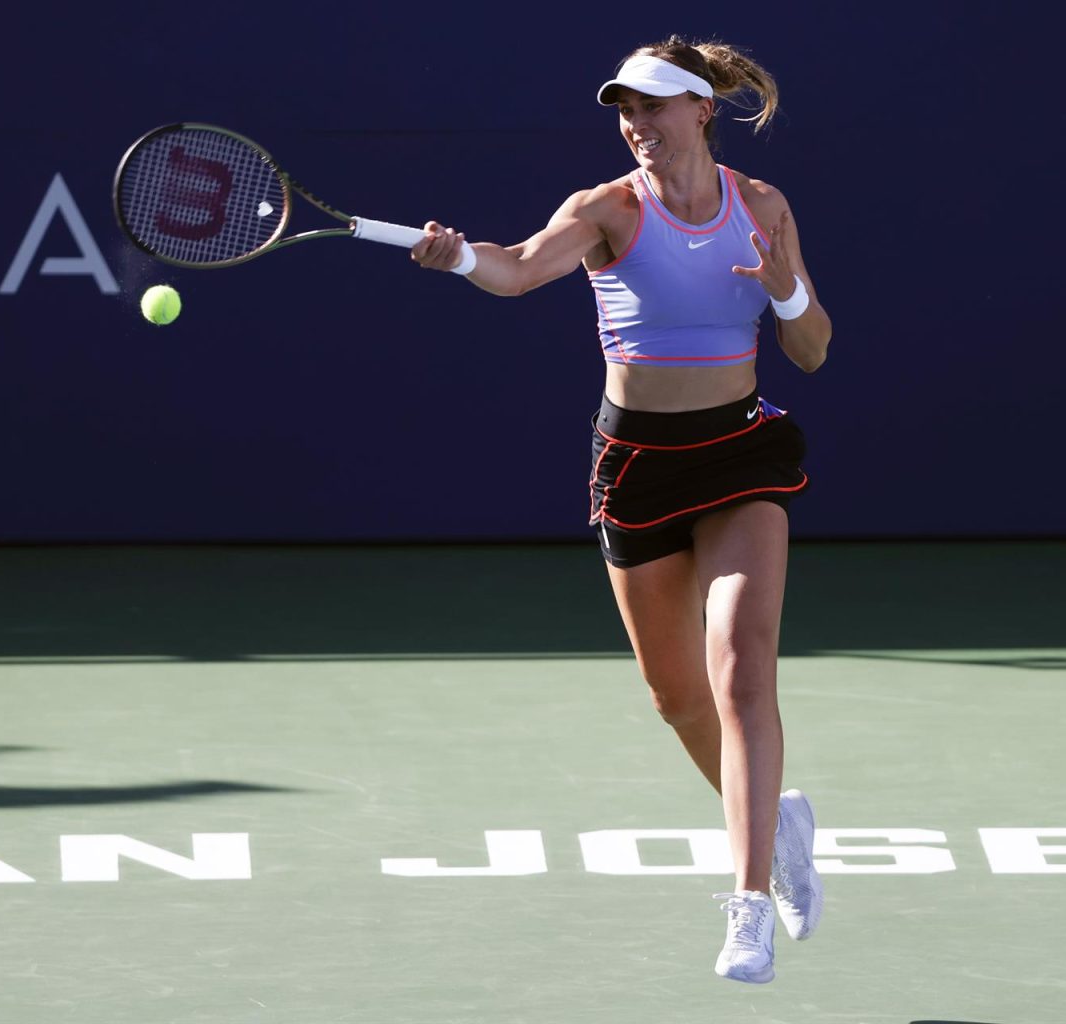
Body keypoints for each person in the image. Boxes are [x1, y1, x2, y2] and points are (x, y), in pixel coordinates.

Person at [410, 35, 832, 985]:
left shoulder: (761, 209)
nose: (636, 125)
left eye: (652, 107)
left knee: (739, 672)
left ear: (700, 111)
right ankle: (781, 822)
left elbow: (811, 348)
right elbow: (517, 267)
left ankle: (749, 903)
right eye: (624, 110)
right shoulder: (606, 209)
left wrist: (785, 289)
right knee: (677, 697)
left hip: (739, 454)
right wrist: (455, 261)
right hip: (636, 465)